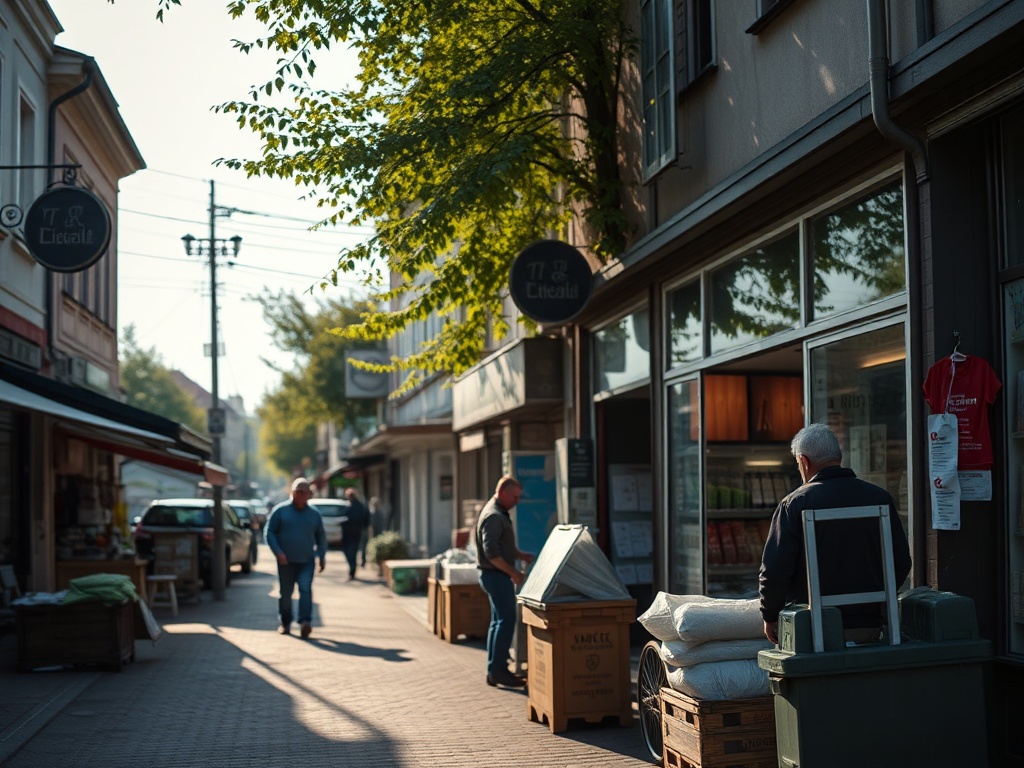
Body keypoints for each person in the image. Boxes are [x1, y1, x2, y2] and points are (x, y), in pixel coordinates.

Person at [759, 423, 912, 646]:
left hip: (810, 626)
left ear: (804, 461)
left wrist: (770, 615)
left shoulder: (795, 504)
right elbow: (901, 561)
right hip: (867, 626)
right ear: (838, 457)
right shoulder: (879, 498)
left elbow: (775, 570)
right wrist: (879, 599)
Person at [475, 475, 535, 688]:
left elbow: (501, 546)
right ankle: (498, 671)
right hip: (495, 575)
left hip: (495, 574)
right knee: (506, 620)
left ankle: (494, 669)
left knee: (498, 621)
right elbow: (491, 553)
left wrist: (519, 555)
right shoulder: (493, 515)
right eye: (514, 497)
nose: (517, 501)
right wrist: (513, 573)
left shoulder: (498, 511)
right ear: (502, 493)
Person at [266, 477, 327, 638]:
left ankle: (305, 622)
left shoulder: (314, 514)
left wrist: (322, 556)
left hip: (306, 560)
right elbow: (270, 532)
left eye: (303, 492)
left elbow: (321, 537)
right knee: (286, 593)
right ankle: (285, 622)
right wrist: (278, 552)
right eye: (296, 492)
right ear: (291, 492)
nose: (299, 495)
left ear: (309, 494)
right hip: (286, 561)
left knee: (305, 589)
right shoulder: (280, 511)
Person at [341, 487, 369, 580]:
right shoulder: (351, 506)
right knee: (349, 552)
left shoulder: (358, 506)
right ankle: (352, 570)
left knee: (351, 553)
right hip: (352, 533)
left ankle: (352, 571)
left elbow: (366, 519)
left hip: (354, 533)